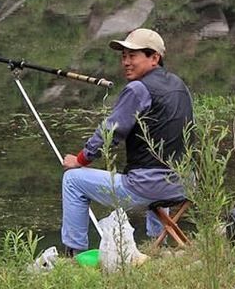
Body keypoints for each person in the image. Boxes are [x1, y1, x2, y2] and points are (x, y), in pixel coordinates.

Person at [61, 28, 193, 255]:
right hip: (185, 183)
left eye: (133, 56)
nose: (125, 62)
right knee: (158, 172)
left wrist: (81, 160)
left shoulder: (138, 89)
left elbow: (109, 133)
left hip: (150, 187)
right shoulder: (179, 85)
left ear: (154, 58)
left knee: (73, 180)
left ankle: (73, 256)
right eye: (124, 56)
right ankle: (157, 246)